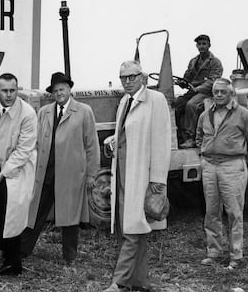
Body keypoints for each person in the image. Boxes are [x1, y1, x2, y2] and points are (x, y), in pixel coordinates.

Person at [103, 60, 171, 292]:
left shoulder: (156, 100)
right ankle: (141, 282)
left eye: (132, 77)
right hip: (123, 172)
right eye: (123, 78)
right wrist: (115, 141)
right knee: (131, 227)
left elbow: (162, 142)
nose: (127, 82)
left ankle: (119, 282)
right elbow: (128, 132)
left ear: (142, 77)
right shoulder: (124, 101)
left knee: (134, 228)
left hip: (142, 175)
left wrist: (158, 182)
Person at [22, 72, 99, 265]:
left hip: (71, 174)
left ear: (69, 89)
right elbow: (36, 142)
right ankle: (23, 250)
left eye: (62, 89)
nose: (59, 93)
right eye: (55, 91)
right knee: (36, 212)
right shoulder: (45, 112)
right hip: (46, 172)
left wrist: (91, 173)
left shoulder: (83, 111)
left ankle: (69, 256)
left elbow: (92, 144)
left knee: (70, 216)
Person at [196, 78, 248, 270]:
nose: (218, 95)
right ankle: (214, 252)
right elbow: (199, 136)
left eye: (222, 92)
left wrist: (240, 159)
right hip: (209, 167)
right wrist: (205, 154)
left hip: (232, 167)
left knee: (234, 212)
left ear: (231, 94)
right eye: (215, 92)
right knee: (211, 212)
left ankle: (236, 256)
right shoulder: (205, 115)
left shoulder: (244, 115)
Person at [0, 73, 37, 276]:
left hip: (17, 170)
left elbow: (23, 151)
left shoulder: (28, 113)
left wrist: (2, 174)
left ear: (17, 89)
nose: (9, 95)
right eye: (4, 91)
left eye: (13, 90)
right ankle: (0, 251)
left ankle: (14, 263)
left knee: (12, 213)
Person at [175, 34, 223, 148]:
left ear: (209, 45)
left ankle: (191, 138)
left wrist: (198, 88)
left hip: (207, 92)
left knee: (191, 105)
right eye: (199, 44)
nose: (201, 46)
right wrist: (182, 82)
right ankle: (179, 136)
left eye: (204, 44)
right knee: (176, 104)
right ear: (196, 46)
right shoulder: (193, 61)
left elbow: (213, 81)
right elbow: (187, 77)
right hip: (193, 91)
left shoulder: (215, 62)